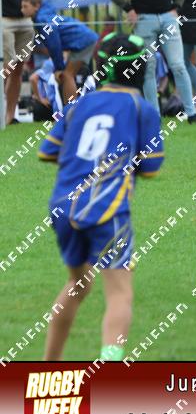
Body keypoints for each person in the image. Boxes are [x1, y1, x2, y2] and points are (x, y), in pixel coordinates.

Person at [38, 33, 164, 360]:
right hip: (107, 208)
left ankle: (48, 366)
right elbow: (151, 169)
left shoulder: (78, 104)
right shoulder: (141, 108)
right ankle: (108, 370)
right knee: (120, 293)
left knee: (78, 285)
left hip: (63, 206)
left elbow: (46, 152)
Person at [20, 0, 99, 103]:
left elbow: (54, 45)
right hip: (84, 40)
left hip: (83, 41)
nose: (22, 10)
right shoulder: (45, 14)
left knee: (67, 75)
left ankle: (71, 109)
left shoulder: (42, 19)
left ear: (36, 6)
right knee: (67, 75)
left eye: (25, 6)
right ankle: (68, 108)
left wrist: (59, 68)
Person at [2, 0, 39, 125]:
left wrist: (36, 10)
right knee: (6, 68)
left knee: (18, 69)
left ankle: (9, 115)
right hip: (3, 21)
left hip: (26, 23)